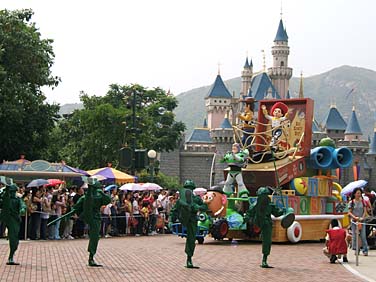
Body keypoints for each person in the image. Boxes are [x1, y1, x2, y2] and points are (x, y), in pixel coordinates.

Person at [48, 178, 111, 267]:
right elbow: (76, 207)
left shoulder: (98, 196)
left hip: (95, 218)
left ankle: (91, 256)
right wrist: (71, 213)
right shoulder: (85, 197)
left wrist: (102, 193)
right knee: (94, 237)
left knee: (95, 237)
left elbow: (108, 200)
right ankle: (91, 257)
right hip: (90, 217)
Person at [245, 187, 289, 268]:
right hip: (257, 222)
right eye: (262, 196)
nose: (264, 198)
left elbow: (276, 213)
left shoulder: (270, 205)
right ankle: (264, 259)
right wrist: (246, 220)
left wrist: (283, 211)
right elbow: (249, 213)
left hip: (267, 224)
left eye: (265, 196)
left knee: (267, 241)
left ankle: (264, 260)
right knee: (265, 239)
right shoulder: (255, 205)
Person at [169, 180, 208, 268]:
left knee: (191, 239)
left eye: (190, 189)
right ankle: (189, 258)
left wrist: (198, 207)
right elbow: (173, 211)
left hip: (192, 221)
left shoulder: (196, 199)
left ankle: (189, 258)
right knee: (189, 237)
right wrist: (171, 220)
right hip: (183, 219)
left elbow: (205, 207)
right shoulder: (181, 201)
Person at [0, 177, 26, 265]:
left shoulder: (17, 199)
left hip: (14, 219)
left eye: (12, 191)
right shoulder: (4, 198)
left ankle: (11, 256)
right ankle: (10, 257)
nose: (11, 193)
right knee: (12, 237)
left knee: (15, 240)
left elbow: (22, 204)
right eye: (10, 191)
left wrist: (22, 209)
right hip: (5, 217)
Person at [348, 187, 369, 256]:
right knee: (355, 236)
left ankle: (365, 250)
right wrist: (355, 218)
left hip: (362, 221)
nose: (359, 194)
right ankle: (356, 249)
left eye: (360, 193)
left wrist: (362, 218)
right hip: (354, 222)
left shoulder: (363, 202)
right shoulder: (351, 202)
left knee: (363, 236)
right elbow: (349, 212)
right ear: (354, 194)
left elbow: (365, 211)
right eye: (357, 193)